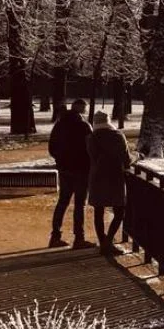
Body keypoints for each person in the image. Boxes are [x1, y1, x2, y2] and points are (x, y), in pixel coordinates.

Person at [48, 99, 94, 249]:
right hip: (81, 170)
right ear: (81, 108)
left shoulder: (59, 125)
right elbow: (91, 147)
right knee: (79, 205)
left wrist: (61, 160)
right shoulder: (84, 126)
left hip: (65, 169)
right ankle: (79, 238)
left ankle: (55, 236)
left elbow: (52, 147)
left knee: (63, 202)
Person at [87, 111, 130, 256]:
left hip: (97, 177)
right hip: (115, 177)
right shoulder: (119, 136)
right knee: (119, 212)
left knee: (98, 211)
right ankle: (108, 241)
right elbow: (127, 160)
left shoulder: (91, 138)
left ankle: (103, 242)